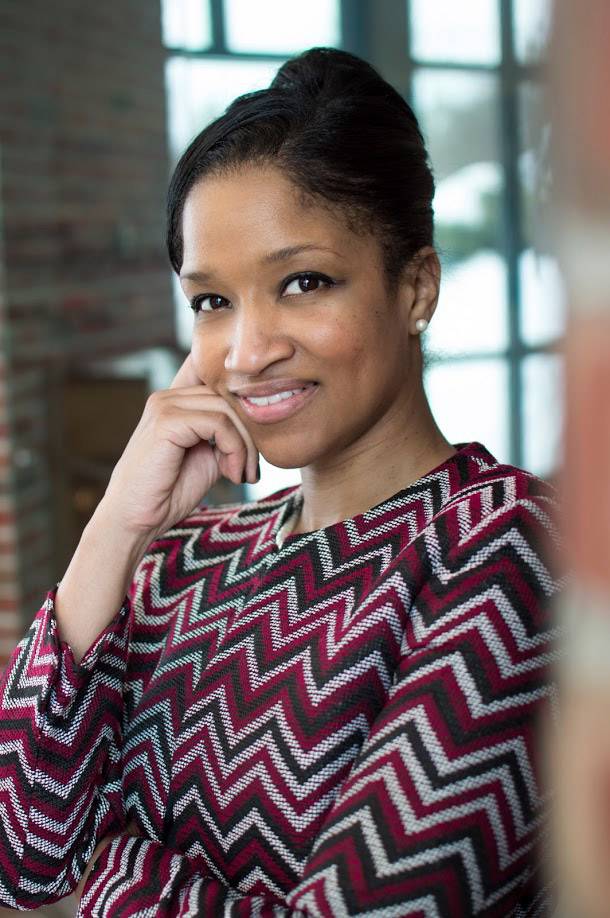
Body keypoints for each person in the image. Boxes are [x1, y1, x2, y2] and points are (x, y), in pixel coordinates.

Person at [0, 47, 565, 916]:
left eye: (303, 283)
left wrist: (100, 879)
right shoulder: (183, 555)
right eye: (211, 302)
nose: (248, 351)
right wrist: (114, 525)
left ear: (416, 286)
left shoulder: (506, 546)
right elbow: (21, 857)